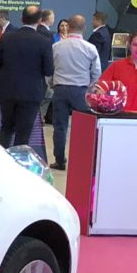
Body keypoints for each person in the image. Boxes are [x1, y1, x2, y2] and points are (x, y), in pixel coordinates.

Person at [0, 5, 53, 151]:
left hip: (7, 90)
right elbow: (48, 70)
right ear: (39, 21)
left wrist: (1, 83)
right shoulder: (44, 41)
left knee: (6, 127)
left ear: (21, 19)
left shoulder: (7, 37)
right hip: (31, 93)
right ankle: (18, 162)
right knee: (24, 133)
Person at [50, 14, 103, 170]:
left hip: (60, 89)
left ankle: (60, 160)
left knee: (59, 127)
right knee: (83, 128)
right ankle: (82, 160)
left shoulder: (56, 47)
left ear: (69, 27)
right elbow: (96, 72)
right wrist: (91, 87)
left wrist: (52, 84)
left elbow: (50, 70)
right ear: (84, 28)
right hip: (81, 91)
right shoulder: (90, 48)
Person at [98, 28, 137, 112]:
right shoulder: (116, 66)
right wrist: (106, 101)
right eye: (135, 45)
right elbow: (100, 88)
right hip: (117, 115)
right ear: (129, 46)